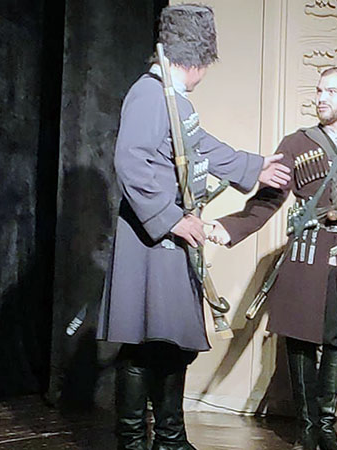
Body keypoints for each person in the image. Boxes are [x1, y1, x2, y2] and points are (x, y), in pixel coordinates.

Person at [95, 4, 291, 449]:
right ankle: (134, 442)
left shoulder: (172, 99)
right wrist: (172, 219)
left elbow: (200, 145)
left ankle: (170, 440)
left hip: (169, 236)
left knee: (171, 343)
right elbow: (131, 163)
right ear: (196, 60)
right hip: (152, 239)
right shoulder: (149, 95)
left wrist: (254, 166)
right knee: (146, 343)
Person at [208, 67, 337, 450]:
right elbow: (268, 200)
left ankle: (325, 427)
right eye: (319, 90)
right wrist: (230, 228)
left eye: (331, 91)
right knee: (301, 338)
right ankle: (306, 428)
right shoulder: (296, 143)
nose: (321, 98)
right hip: (305, 252)